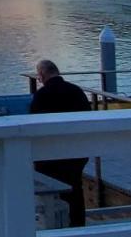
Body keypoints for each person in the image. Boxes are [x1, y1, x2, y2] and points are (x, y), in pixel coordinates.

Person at [29, 59, 91, 227]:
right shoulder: (76, 91)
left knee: (50, 192)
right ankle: (78, 225)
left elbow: (33, 124)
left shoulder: (41, 96)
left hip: (50, 155)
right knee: (75, 189)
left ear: (41, 75)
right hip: (76, 152)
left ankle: (53, 226)